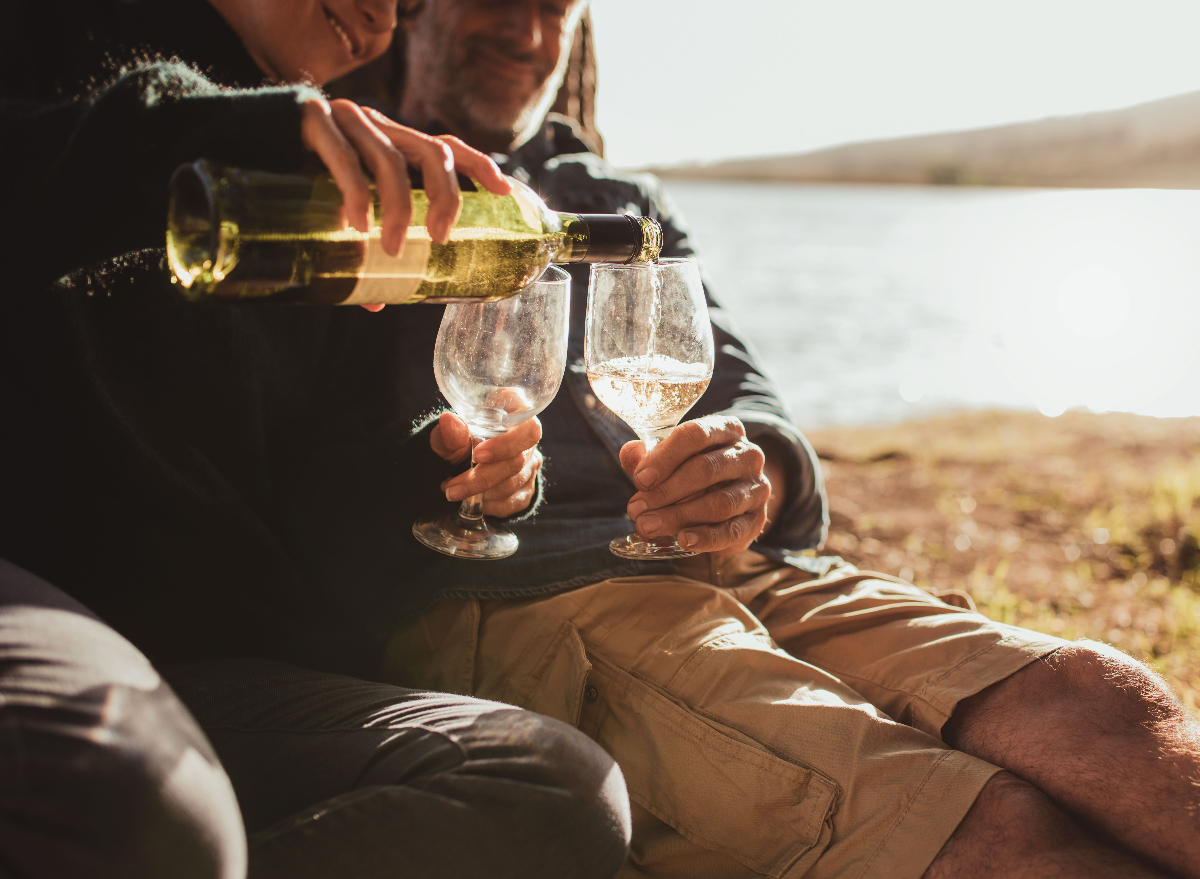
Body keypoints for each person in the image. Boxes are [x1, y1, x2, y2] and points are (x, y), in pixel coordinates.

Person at [334, 1, 1200, 877]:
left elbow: (742, 388)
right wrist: (442, 468)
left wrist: (750, 471)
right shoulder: (347, 184)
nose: (527, 35)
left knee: (1102, 697)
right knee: (989, 826)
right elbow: (301, 460)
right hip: (534, 595)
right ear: (414, 8)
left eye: (554, 7)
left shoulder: (616, 198)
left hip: (738, 564)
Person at [0, 1, 631, 876]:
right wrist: (211, 135)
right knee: (143, 812)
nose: (382, 11)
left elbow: (320, 516)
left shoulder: (338, 200)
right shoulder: (50, 37)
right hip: (41, 622)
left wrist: (431, 473)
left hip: (221, 681)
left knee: (560, 783)